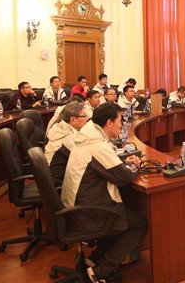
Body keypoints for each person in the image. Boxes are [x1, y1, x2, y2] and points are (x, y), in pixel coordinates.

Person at [61, 103, 148, 283]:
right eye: (120, 120)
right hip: (86, 213)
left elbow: (109, 166)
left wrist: (124, 163)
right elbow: (124, 177)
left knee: (122, 214)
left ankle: (94, 259)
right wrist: (133, 166)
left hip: (76, 207)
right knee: (139, 223)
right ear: (109, 123)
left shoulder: (88, 137)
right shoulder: (96, 146)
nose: (122, 124)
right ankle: (102, 271)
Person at [44, 102, 88, 186]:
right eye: (84, 116)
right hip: (59, 182)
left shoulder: (62, 127)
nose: (87, 118)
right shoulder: (66, 136)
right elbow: (86, 157)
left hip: (62, 175)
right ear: (73, 119)